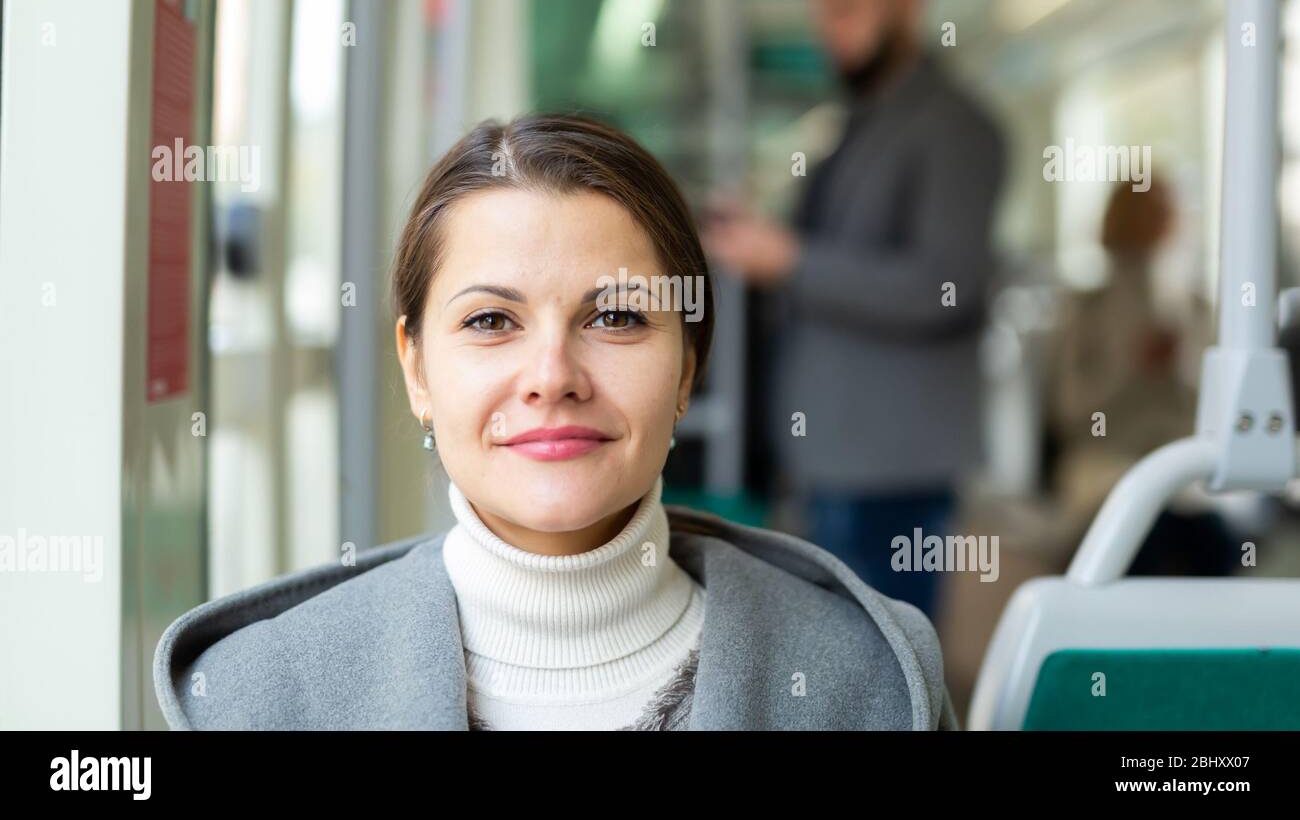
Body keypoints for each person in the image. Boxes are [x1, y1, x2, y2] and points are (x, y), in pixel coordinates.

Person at [154, 114, 958, 730]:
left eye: (614, 317)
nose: (551, 379)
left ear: (687, 364)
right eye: (491, 323)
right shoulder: (259, 695)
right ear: (417, 369)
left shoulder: (873, 678)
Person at [702, 0, 1006, 622]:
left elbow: (943, 287)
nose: (829, 31)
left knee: (889, 667)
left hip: (891, 465)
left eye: (847, 8)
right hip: (837, 458)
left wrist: (790, 259)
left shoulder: (954, 128)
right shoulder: (863, 123)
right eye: (823, 13)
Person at [1049, 173, 1237, 575]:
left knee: (1215, 542)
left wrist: (1181, 366)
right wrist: (1132, 368)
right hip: (1107, 465)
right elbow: (1069, 411)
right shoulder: (1086, 308)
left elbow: (1218, 411)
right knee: (1142, 536)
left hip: (1186, 474)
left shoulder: (1197, 308)